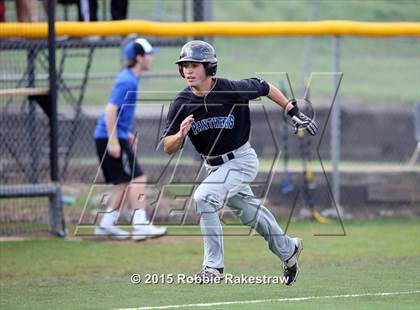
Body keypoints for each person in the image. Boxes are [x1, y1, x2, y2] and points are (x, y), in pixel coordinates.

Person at [161, 40, 318, 285]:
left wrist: (291, 110)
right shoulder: (181, 103)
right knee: (250, 215)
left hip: (241, 160)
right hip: (213, 166)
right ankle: (288, 250)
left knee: (204, 197)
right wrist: (180, 136)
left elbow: (263, 86)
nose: (189, 70)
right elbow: (167, 145)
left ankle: (213, 268)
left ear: (209, 67)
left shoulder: (230, 89)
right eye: (185, 65)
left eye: (195, 65)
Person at [93, 38, 166, 241]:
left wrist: (125, 134)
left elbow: (119, 113)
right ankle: (140, 224)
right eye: (149, 54)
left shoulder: (132, 78)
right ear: (139, 58)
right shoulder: (127, 80)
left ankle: (106, 224)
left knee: (125, 182)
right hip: (107, 137)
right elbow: (110, 111)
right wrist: (114, 140)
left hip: (113, 135)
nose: (151, 58)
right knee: (137, 178)